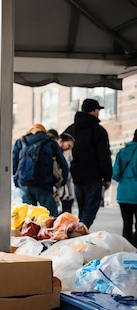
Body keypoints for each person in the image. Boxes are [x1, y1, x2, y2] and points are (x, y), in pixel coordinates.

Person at [63, 98, 112, 228]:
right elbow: (104, 156)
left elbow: (61, 149)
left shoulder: (70, 130)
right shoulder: (99, 131)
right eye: (98, 110)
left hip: (76, 177)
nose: (99, 113)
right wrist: (107, 177)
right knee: (90, 210)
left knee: (82, 209)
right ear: (94, 111)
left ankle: (79, 232)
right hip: (93, 177)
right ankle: (80, 231)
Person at [12, 123, 68, 217]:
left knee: (29, 217)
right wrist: (62, 184)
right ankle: (49, 231)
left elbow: (14, 162)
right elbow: (63, 165)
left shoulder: (21, 141)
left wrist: (16, 180)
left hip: (24, 183)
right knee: (50, 217)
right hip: (44, 185)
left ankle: (30, 231)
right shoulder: (50, 142)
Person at [112, 129, 137, 247]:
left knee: (127, 223)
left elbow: (115, 174)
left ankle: (126, 248)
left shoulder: (123, 151)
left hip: (123, 194)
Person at [49, 132, 75, 213]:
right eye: (68, 145)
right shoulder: (55, 152)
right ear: (60, 140)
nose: (68, 149)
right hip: (55, 186)